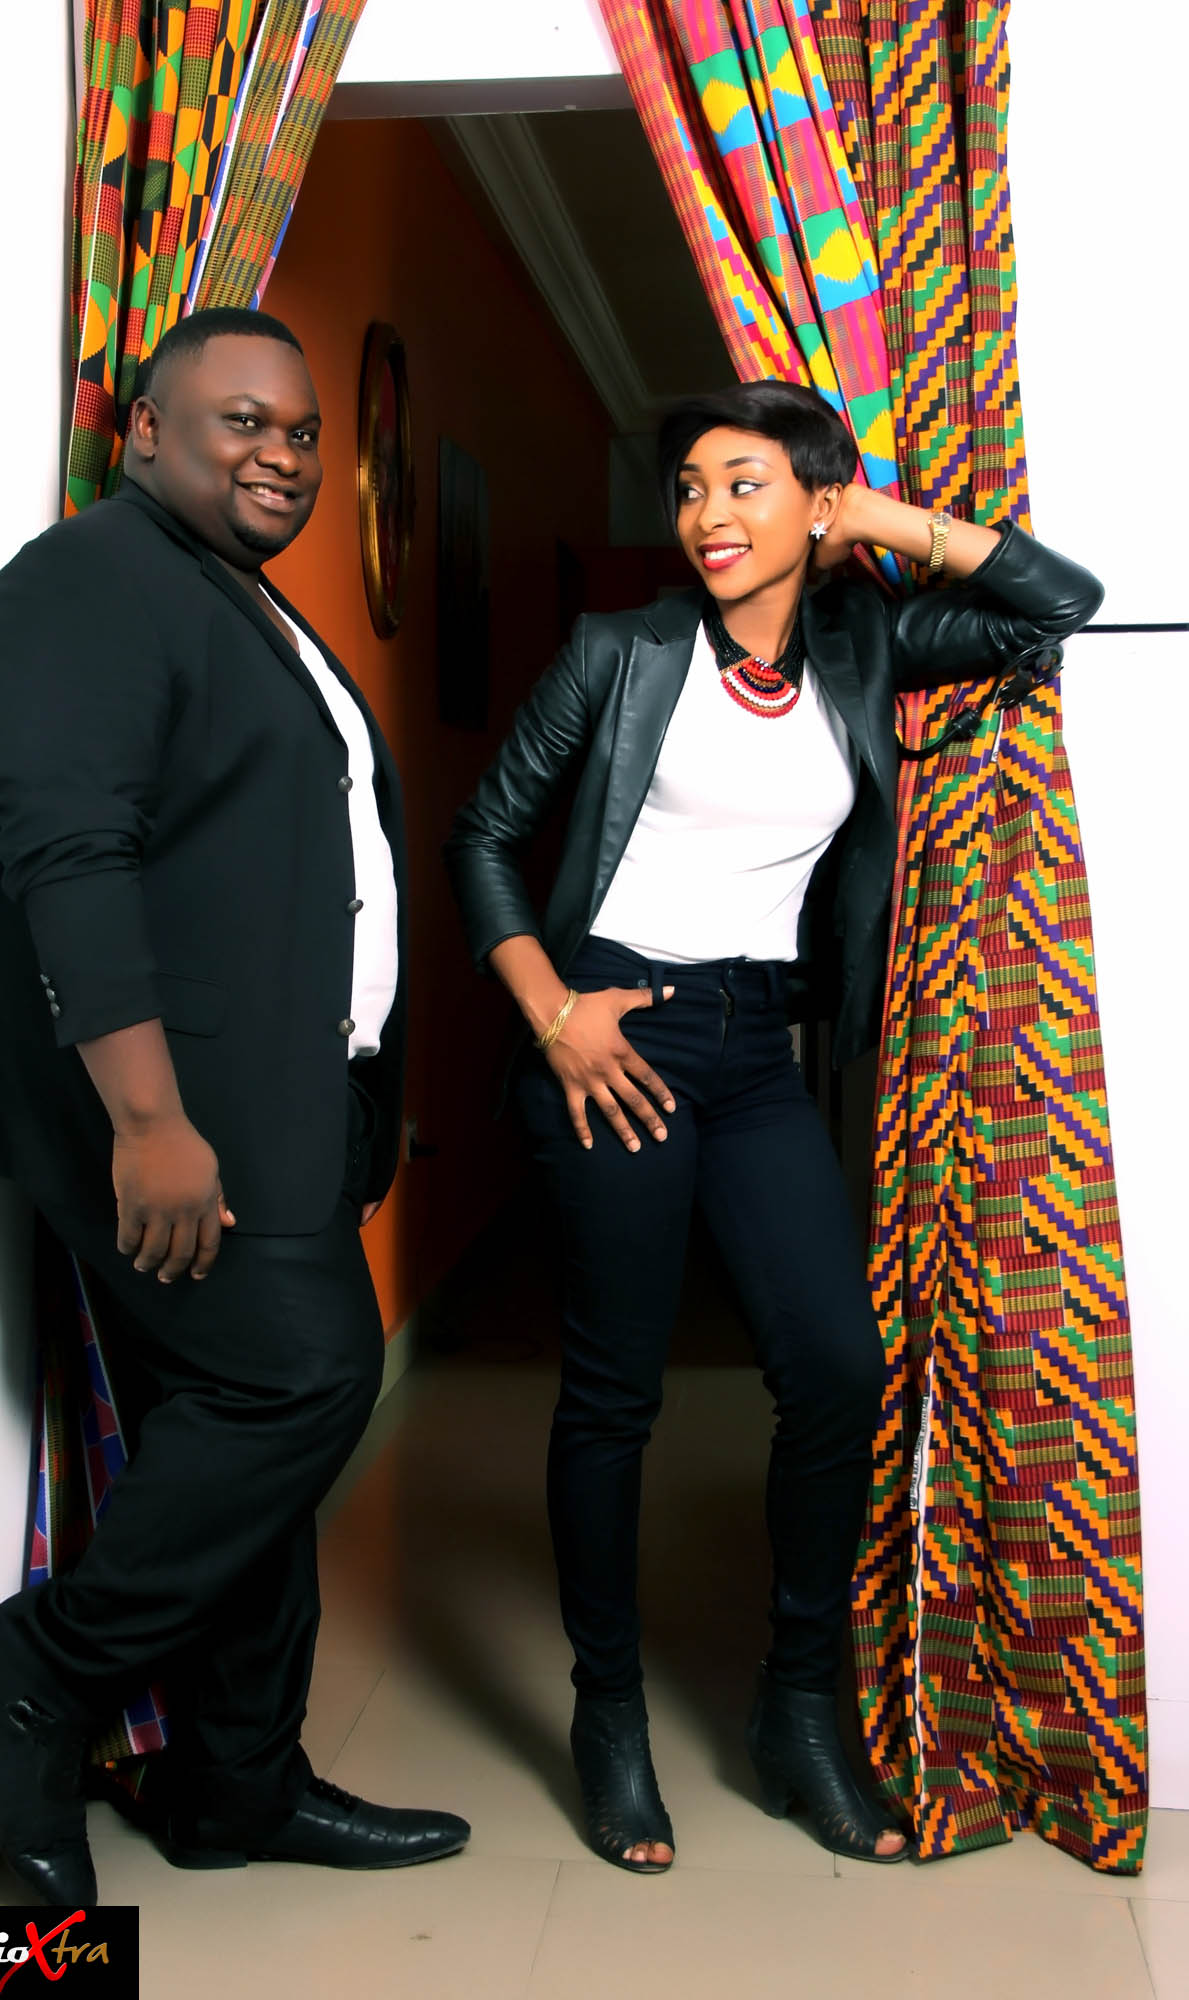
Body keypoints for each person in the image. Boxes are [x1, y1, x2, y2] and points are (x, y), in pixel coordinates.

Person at [445, 379, 1102, 1873]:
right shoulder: (619, 651)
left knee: (836, 1369)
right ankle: (609, 1716)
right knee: (614, 1393)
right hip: (610, 1037)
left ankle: (797, 1708)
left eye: (745, 483)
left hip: (755, 1052)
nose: (707, 513)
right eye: (689, 486)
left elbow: (1058, 601)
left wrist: (881, 519)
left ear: (813, 503)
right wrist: (553, 1013)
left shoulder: (865, 646)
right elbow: (483, 832)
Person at [0, 307, 470, 1906]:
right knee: (303, 1382)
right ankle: (47, 1667)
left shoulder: (240, 600)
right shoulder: (86, 579)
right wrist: (145, 1122)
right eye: (242, 420)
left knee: (235, 1425)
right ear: (144, 433)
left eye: (302, 432)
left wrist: (360, 1091)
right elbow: (69, 856)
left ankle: (234, 1783)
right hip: (170, 1111)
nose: (282, 454)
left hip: (279, 1102)